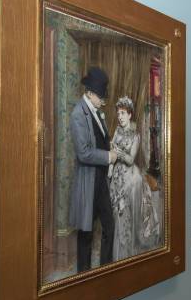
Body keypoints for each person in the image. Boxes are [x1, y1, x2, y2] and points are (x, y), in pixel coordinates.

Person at [69, 67, 117, 273]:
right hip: (88, 182)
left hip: (101, 181)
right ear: (89, 93)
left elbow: (101, 139)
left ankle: (105, 272)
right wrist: (108, 156)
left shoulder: (97, 112)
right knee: (86, 234)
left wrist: (110, 148)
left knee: (109, 226)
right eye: (100, 96)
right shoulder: (78, 113)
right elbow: (84, 153)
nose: (103, 100)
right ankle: (83, 277)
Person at [109, 96, 161, 261]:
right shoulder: (117, 130)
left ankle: (126, 254)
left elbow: (131, 159)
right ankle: (117, 254)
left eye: (123, 113)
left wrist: (118, 152)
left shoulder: (135, 135)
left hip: (130, 179)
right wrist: (110, 168)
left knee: (126, 215)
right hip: (116, 176)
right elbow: (112, 150)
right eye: (119, 113)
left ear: (130, 115)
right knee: (116, 214)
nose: (120, 116)